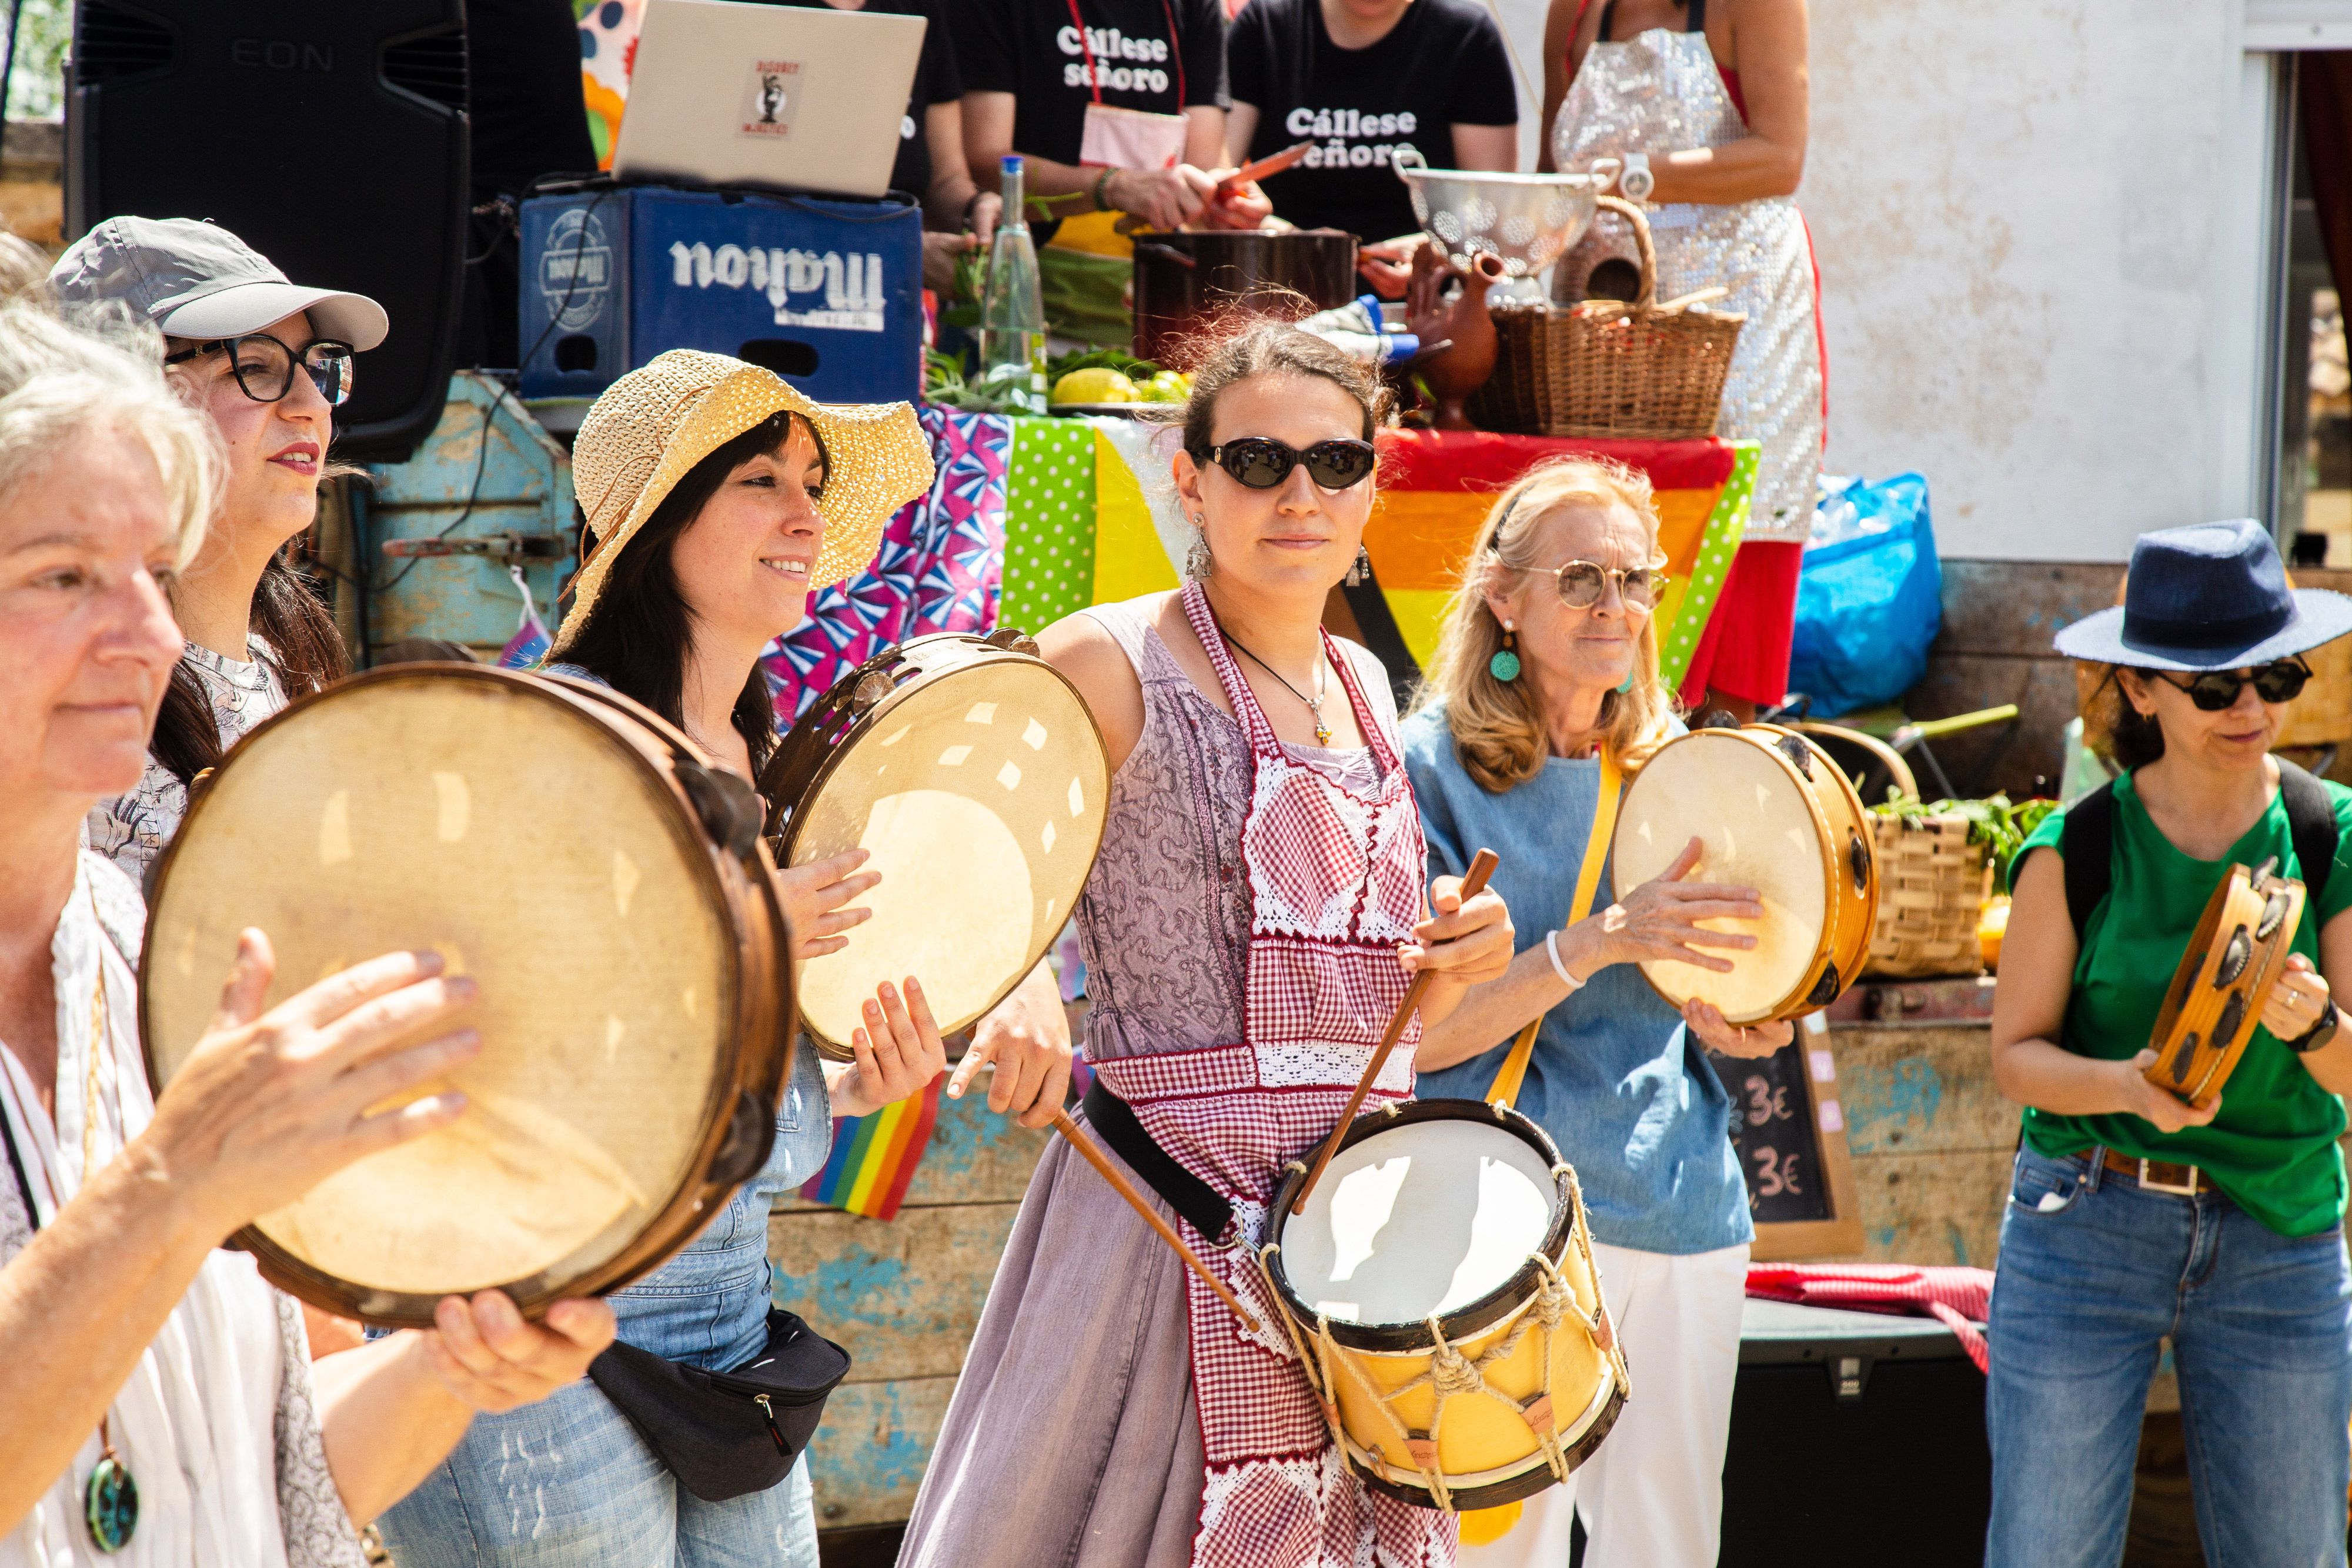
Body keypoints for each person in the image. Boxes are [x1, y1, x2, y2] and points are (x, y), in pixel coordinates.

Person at [376, 349, 1071, 1567]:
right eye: (761, 479)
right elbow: (481, 1025)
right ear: (656, 523)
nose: (806, 514)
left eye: (812, 481)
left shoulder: (765, 755)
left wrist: (855, 1084)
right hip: (538, 1313)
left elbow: (733, 1081)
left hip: (732, 1310)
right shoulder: (560, 731)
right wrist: (734, 930)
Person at [0, 300, 613, 1566]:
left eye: (150, 574)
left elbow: (279, 1466)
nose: (152, 637)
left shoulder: (143, 957)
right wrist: (177, 1184)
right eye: (65, 576)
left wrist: (456, 1366)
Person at [898, 320, 1515, 1568]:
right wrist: (1017, 981)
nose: (1299, 494)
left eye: (1334, 463)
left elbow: (1391, 1022)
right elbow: (949, 850)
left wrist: (1458, 955)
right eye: (1254, 460)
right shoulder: (1108, 656)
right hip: (1163, 1230)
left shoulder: (1366, 689)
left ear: (1372, 481)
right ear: (1187, 479)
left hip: (1349, 1262)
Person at [1404, 457, 1778, 1568]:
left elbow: (1742, 975)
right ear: (1501, 597)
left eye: (1635, 580)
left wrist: (1748, 1015)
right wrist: (1597, 940)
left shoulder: (1684, 768)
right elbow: (1420, 1037)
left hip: (1676, 1202)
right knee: (1487, 1553)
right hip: (1486, 1212)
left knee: (1664, 1548)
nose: (1615, 607)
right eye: (1580, 579)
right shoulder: (1426, 771)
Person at [1987, 519, 2352, 1568]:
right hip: (2085, 1218)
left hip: (2279, 1232)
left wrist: (2317, 1022)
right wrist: (2129, 1086)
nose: (2252, 708)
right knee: (2045, 1551)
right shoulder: (2078, 849)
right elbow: (2016, 1054)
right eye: (2215, 686)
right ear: (2141, 691)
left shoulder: (2328, 836)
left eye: (2275, 675)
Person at [49, 218, 384, 884]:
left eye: (321, 369)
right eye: (255, 366)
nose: (311, 404)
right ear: (122, 405)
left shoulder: (300, 676)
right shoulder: (61, 703)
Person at [1539, 0, 1815, 721]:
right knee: (1594, 536)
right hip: (1598, 338)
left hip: (1739, 326)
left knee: (1736, 528)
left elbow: (1781, 158)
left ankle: (1717, 767)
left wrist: (1636, 174)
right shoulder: (1571, 14)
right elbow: (1548, 189)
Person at [951, 0, 1265, 343]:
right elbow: (981, 164)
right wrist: (1114, 186)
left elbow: (1207, 164)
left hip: (1159, 319)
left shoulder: (1194, 8)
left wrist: (1225, 199)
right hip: (1018, 320)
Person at [1225, 0, 1518, 290]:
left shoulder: (1466, 33)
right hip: (1277, 299)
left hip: (1422, 311)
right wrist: (1287, 239)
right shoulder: (1266, 25)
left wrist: (1435, 253)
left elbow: (1490, 217)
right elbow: (1216, 190)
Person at [766, 0, 1003, 291]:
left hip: (892, 308)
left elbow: (945, 180)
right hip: (755, 286)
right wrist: (896, 249)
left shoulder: (920, 9)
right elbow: (716, 194)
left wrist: (976, 209)